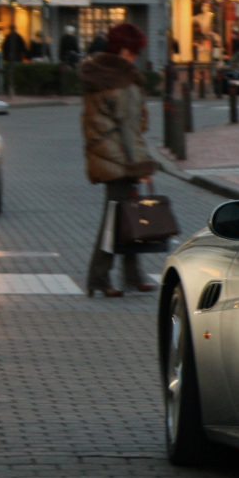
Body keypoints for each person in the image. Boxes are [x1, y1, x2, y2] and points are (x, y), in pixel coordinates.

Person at [81, 23, 157, 298]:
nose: (137, 57)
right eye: (135, 52)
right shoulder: (123, 81)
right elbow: (129, 129)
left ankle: (133, 274)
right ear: (125, 51)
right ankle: (98, 276)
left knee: (127, 217)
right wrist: (141, 166)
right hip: (120, 160)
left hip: (106, 156)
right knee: (115, 221)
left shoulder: (100, 74)